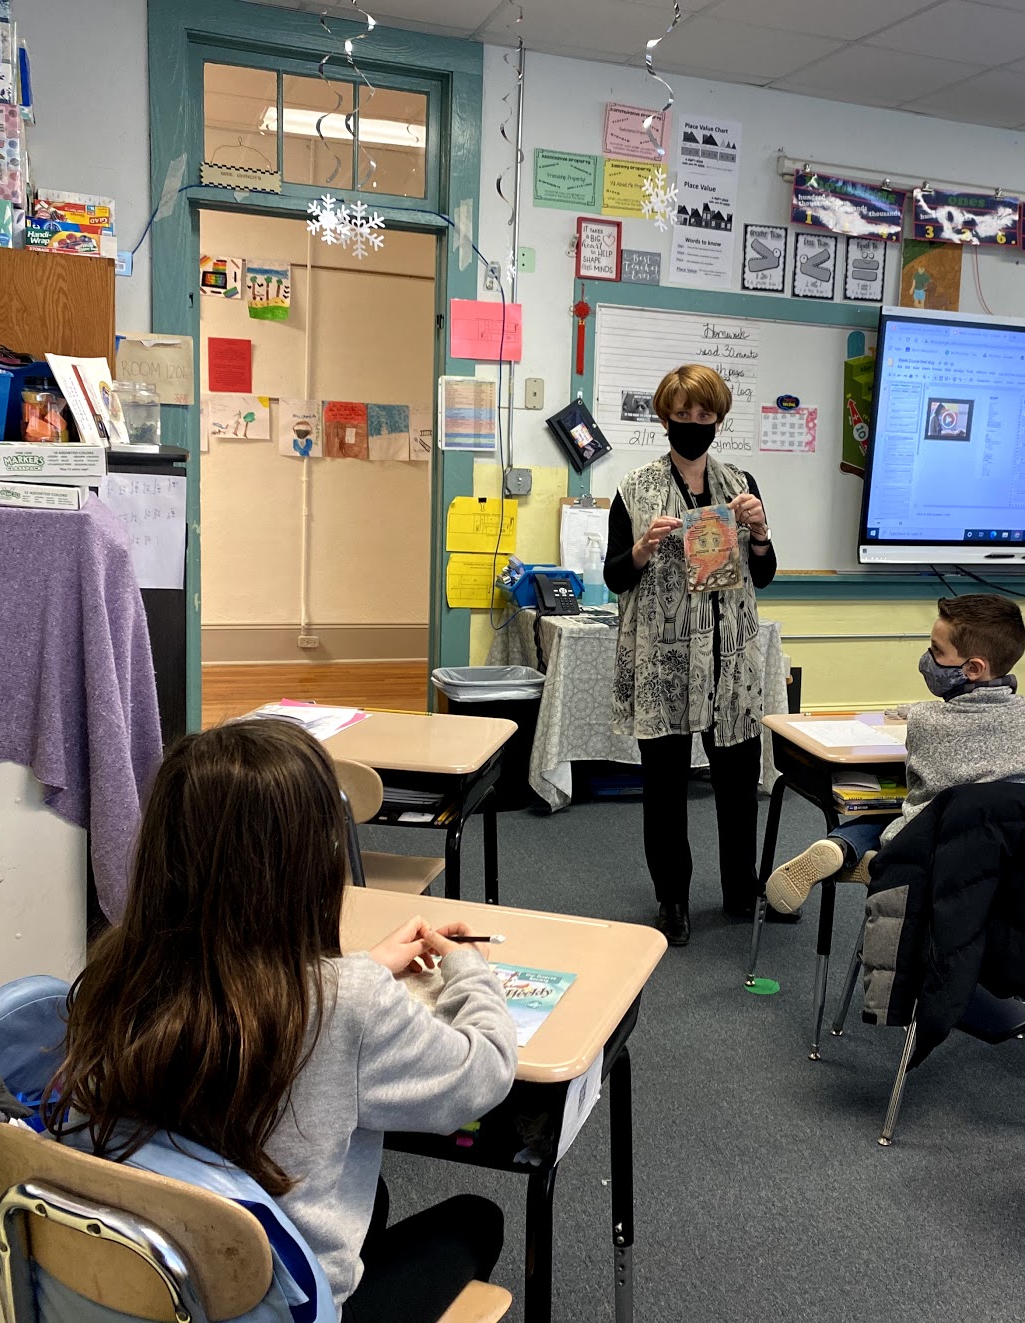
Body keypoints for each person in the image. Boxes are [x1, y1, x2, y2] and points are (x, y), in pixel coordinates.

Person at [44, 719, 518, 1321]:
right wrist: (469, 970)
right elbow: (485, 1074)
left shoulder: (117, 972)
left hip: (147, 1279)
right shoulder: (349, 1002)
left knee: (371, 1193)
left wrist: (358, 966)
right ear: (307, 863)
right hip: (280, 1303)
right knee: (476, 1219)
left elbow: (247, 985)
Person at [604, 364, 780, 948]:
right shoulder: (635, 489)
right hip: (667, 661)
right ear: (665, 418)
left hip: (730, 663)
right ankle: (672, 900)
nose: (694, 424)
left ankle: (741, 889)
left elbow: (765, 574)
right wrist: (641, 548)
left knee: (737, 780)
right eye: (683, 415)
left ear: (718, 420)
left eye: (705, 416)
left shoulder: (741, 483)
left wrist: (760, 535)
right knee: (665, 788)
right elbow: (614, 578)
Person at [766, 594, 1025, 913]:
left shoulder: (924, 719)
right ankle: (847, 849)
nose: (927, 658)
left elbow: (914, 792)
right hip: (1017, 857)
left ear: (973, 668)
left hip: (928, 853)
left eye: (936, 651)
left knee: (903, 805)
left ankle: (846, 846)